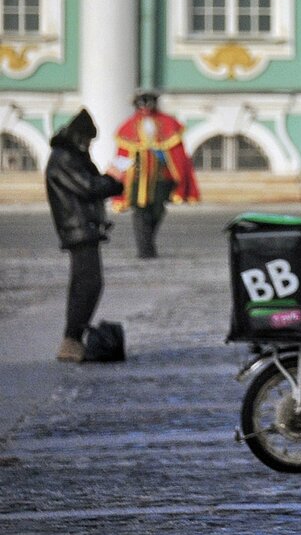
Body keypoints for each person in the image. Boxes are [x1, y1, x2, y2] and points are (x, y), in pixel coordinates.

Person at [45, 109, 125, 362]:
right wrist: (113, 178)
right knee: (87, 284)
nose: (89, 145)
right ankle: (71, 340)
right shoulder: (64, 158)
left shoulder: (70, 157)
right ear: (79, 137)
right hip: (77, 228)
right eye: (88, 140)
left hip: (84, 229)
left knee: (87, 284)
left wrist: (112, 180)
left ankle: (73, 339)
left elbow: (91, 184)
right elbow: (89, 187)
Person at [113, 91, 199, 258]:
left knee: (157, 211)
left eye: (148, 103)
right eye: (141, 103)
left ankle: (148, 243)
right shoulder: (129, 126)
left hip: (161, 179)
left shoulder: (167, 123)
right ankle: (145, 249)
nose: (145, 107)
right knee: (139, 212)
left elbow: (178, 155)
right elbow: (122, 154)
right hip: (137, 180)